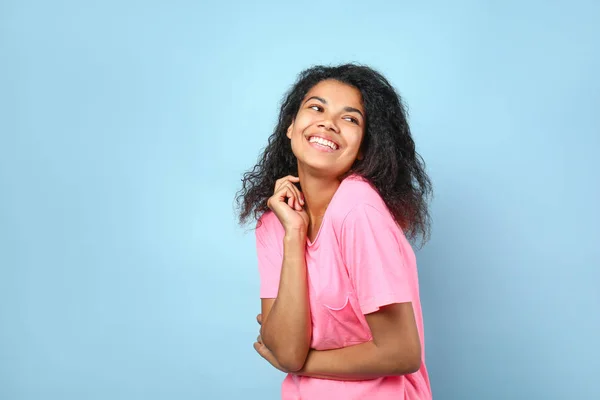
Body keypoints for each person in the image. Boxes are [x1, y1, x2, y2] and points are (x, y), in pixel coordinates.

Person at [236, 64, 433, 400]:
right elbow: (285, 350)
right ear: (290, 126)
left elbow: (402, 352)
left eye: (350, 118)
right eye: (316, 107)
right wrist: (294, 236)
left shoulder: (358, 207)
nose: (328, 122)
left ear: (364, 147)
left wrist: (302, 364)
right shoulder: (275, 222)